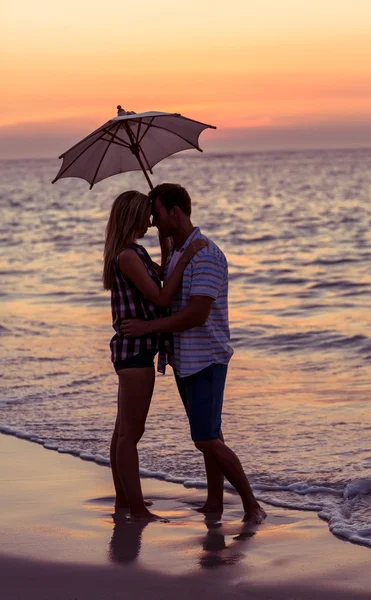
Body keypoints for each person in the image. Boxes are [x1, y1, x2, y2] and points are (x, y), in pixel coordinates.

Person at [121, 184, 266, 524]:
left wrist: (147, 328)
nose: (153, 220)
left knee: (204, 438)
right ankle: (214, 502)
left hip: (206, 359)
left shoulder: (205, 255)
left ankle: (251, 504)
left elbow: (196, 314)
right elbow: (165, 286)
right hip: (185, 359)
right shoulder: (178, 253)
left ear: (176, 212)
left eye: (156, 213)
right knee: (209, 434)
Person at [103, 190, 206, 521]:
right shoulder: (129, 256)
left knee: (123, 431)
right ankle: (135, 508)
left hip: (132, 352)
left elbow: (160, 275)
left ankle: (124, 500)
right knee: (131, 434)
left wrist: (170, 247)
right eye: (146, 214)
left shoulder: (134, 252)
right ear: (133, 215)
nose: (151, 220)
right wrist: (187, 256)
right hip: (135, 352)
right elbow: (162, 297)